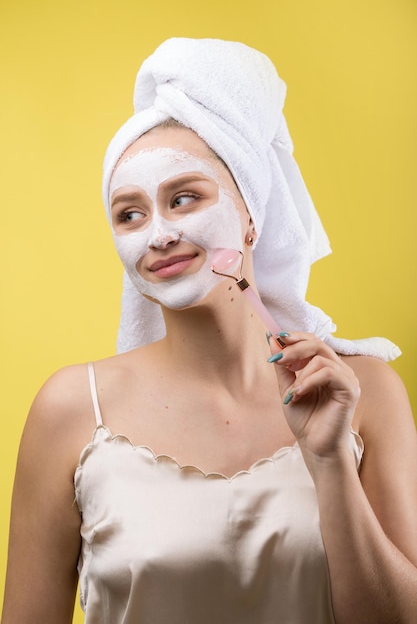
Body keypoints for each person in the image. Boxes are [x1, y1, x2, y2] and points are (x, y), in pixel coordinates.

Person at [1, 38, 417, 624]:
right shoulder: (71, 410)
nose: (159, 234)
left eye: (185, 198)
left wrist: (329, 464)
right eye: (130, 213)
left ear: (250, 214)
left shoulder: (362, 392)